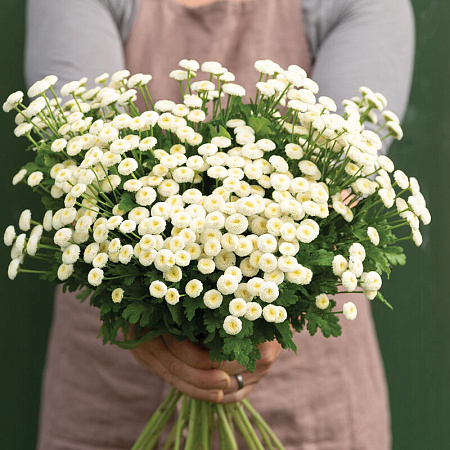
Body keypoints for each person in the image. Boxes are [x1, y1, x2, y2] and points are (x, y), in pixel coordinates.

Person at [25, 0, 415, 448]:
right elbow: (82, 161)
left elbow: (344, 172)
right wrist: (145, 326)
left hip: (306, 388)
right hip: (110, 373)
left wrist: (273, 315)